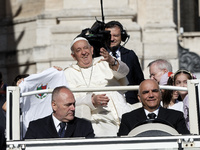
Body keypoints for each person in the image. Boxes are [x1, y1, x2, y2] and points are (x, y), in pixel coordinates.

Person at [64, 37, 139, 137]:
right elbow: (70, 101)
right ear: (73, 56)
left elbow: (125, 72)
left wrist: (113, 61)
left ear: (91, 50)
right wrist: (91, 100)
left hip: (122, 111)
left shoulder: (104, 62)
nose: (83, 52)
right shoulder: (68, 73)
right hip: (99, 118)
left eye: (85, 48)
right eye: (78, 50)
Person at [118, 79, 190, 136]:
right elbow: (121, 145)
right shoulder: (128, 119)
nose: (151, 95)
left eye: (154, 91)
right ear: (139, 98)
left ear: (160, 94)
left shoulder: (176, 117)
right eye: (146, 92)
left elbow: (185, 143)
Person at [24, 86, 95, 139]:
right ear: (54, 105)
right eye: (68, 105)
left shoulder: (84, 126)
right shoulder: (36, 127)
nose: (73, 108)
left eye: (74, 104)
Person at [105, 21, 144, 104]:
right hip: (107, 103)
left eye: (115, 35)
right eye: (109, 36)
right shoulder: (97, 56)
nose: (112, 39)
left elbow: (139, 80)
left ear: (122, 37)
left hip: (129, 103)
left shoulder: (130, 55)